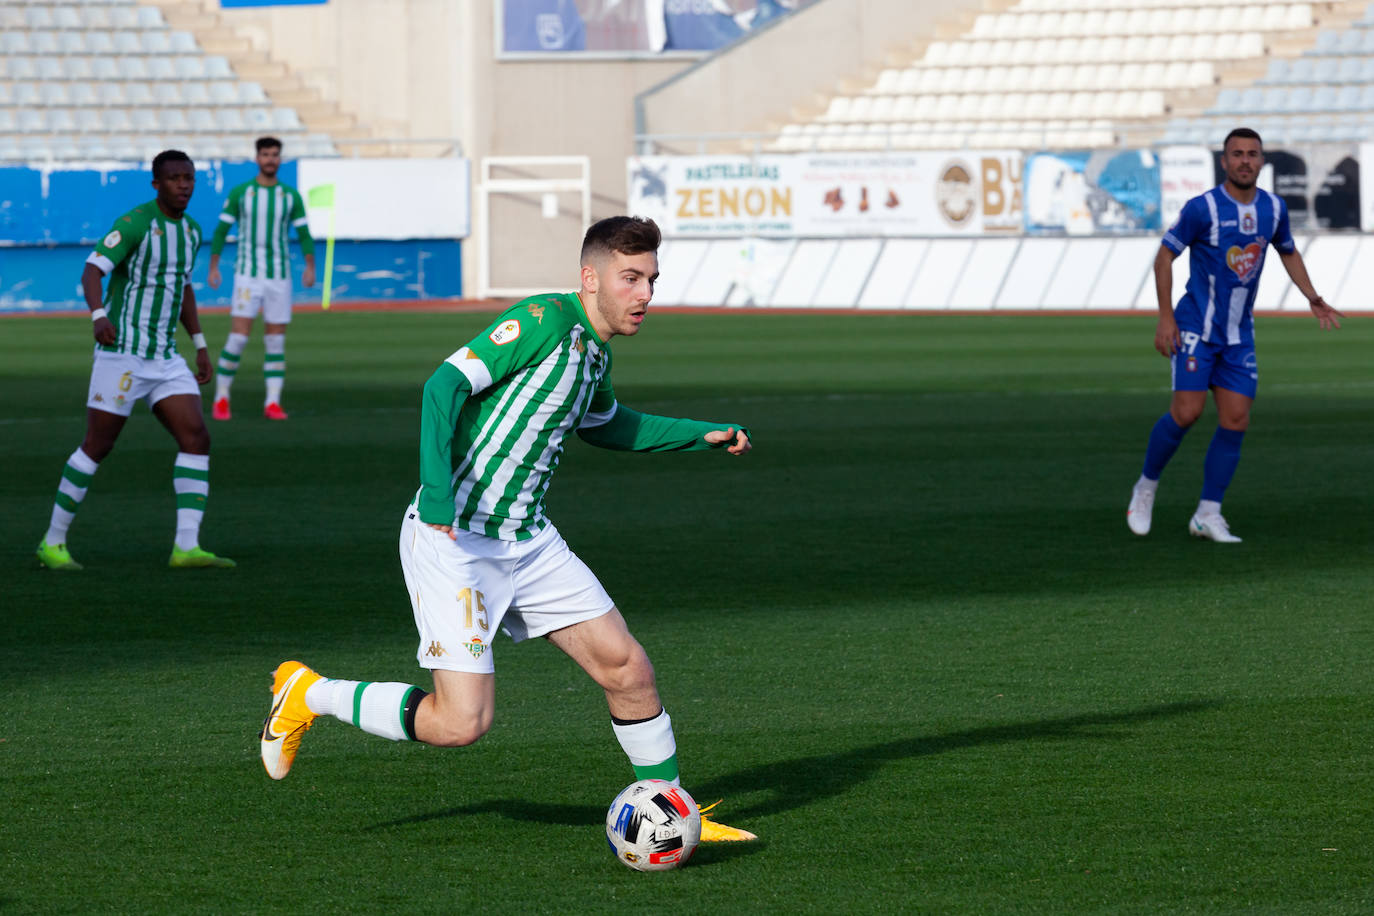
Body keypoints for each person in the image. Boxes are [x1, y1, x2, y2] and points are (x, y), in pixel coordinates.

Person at [259, 216, 758, 842]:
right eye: (630, 278)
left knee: (627, 669)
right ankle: (310, 693)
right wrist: (438, 495)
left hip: (528, 539)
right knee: (460, 724)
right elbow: (442, 385)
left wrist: (696, 434)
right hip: (455, 540)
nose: (644, 295)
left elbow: (605, 425)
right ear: (590, 277)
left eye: (651, 280)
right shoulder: (544, 321)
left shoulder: (594, 353)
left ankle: (675, 810)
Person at [1126, 128, 1343, 542]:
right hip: (1194, 327)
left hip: (1238, 334)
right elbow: (1164, 258)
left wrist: (1313, 296)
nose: (1245, 160)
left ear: (1262, 161)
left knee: (1236, 418)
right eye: (1237, 154)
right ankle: (1146, 485)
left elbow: (1288, 250)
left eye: (1252, 154)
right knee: (1187, 412)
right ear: (1224, 162)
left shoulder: (1273, 209)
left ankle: (1207, 514)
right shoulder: (1202, 208)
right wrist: (1166, 318)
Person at [36, 150, 235, 571]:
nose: (184, 185)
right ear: (156, 184)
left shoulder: (192, 232)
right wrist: (98, 315)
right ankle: (52, 542)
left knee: (197, 438)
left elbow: (182, 289)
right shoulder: (135, 223)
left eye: (189, 178)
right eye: (175, 178)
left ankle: (186, 547)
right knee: (98, 445)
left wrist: (199, 342)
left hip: (164, 357)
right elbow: (92, 271)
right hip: (121, 353)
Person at [206, 136, 316, 421]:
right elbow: (220, 231)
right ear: (257, 158)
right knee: (239, 338)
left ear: (280, 159)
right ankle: (221, 398)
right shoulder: (241, 192)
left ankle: (272, 402)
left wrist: (309, 265)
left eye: (275, 154)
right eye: (266, 154)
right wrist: (214, 265)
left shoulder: (290, 196)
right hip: (247, 275)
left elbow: (303, 233)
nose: (270, 159)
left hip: (279, 276)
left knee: (275, 342)